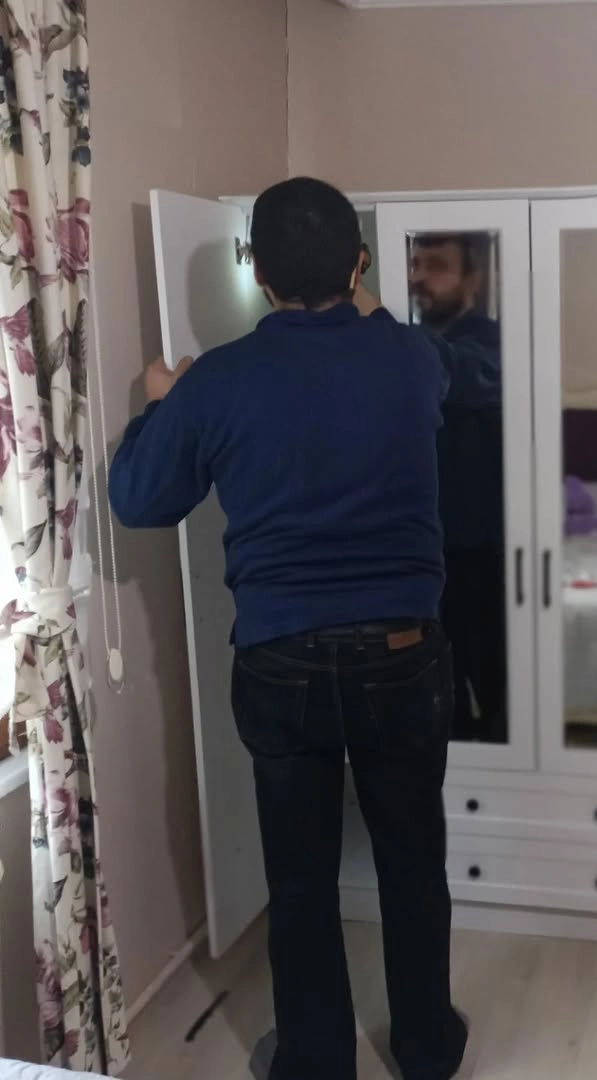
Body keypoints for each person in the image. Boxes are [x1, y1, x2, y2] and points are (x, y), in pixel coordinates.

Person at [109, 177, 468, 1080]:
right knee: (412, 860)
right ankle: (427, 1050)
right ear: (359, 264)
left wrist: (160, 399)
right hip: (403, 655)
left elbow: (139, 499)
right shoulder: (412, 359)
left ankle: (314, 1061)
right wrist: (355, 288)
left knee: (300, 879)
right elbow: (402, 346)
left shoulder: (218, 380)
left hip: (282, 663)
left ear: (259, 275)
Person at [409, 234, 509, 744]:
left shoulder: (494, 343)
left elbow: (461, 374)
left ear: (472, 278)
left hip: (483, 546)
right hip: (421, 545)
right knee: (433, 681)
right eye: (415, 263)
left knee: (496, 679)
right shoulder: (411, 344)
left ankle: (512, 770)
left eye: (437, 265)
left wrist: (378, 322)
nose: (419, 276)